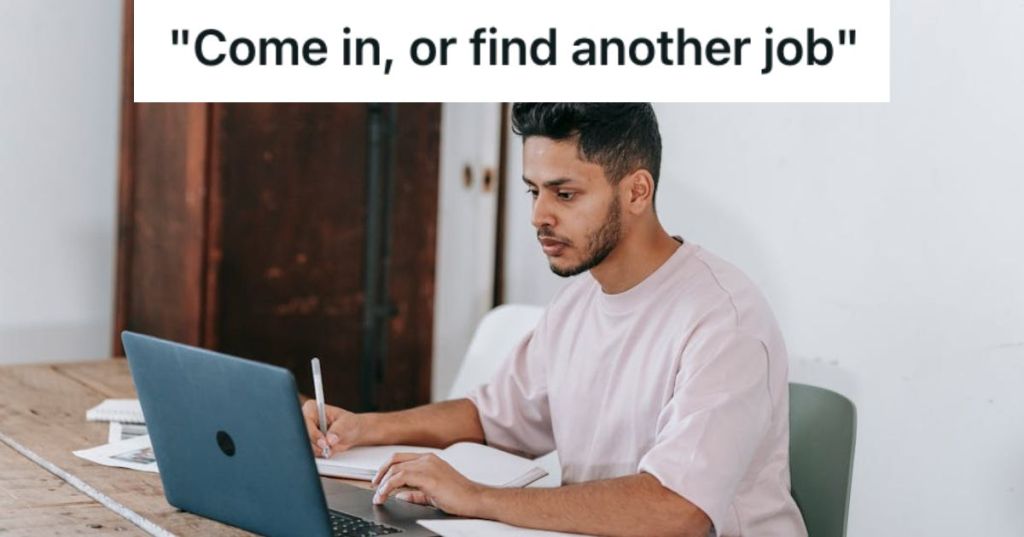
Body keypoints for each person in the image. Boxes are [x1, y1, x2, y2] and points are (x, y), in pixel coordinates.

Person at [303, 103, 807, 537]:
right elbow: (492, 417)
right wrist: (362, 428)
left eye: (564, 194)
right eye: (533, 191)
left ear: (636, 192)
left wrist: (475, 497)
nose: (539, 216)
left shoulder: (724, 319)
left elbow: (678, 510)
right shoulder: (578, 303)